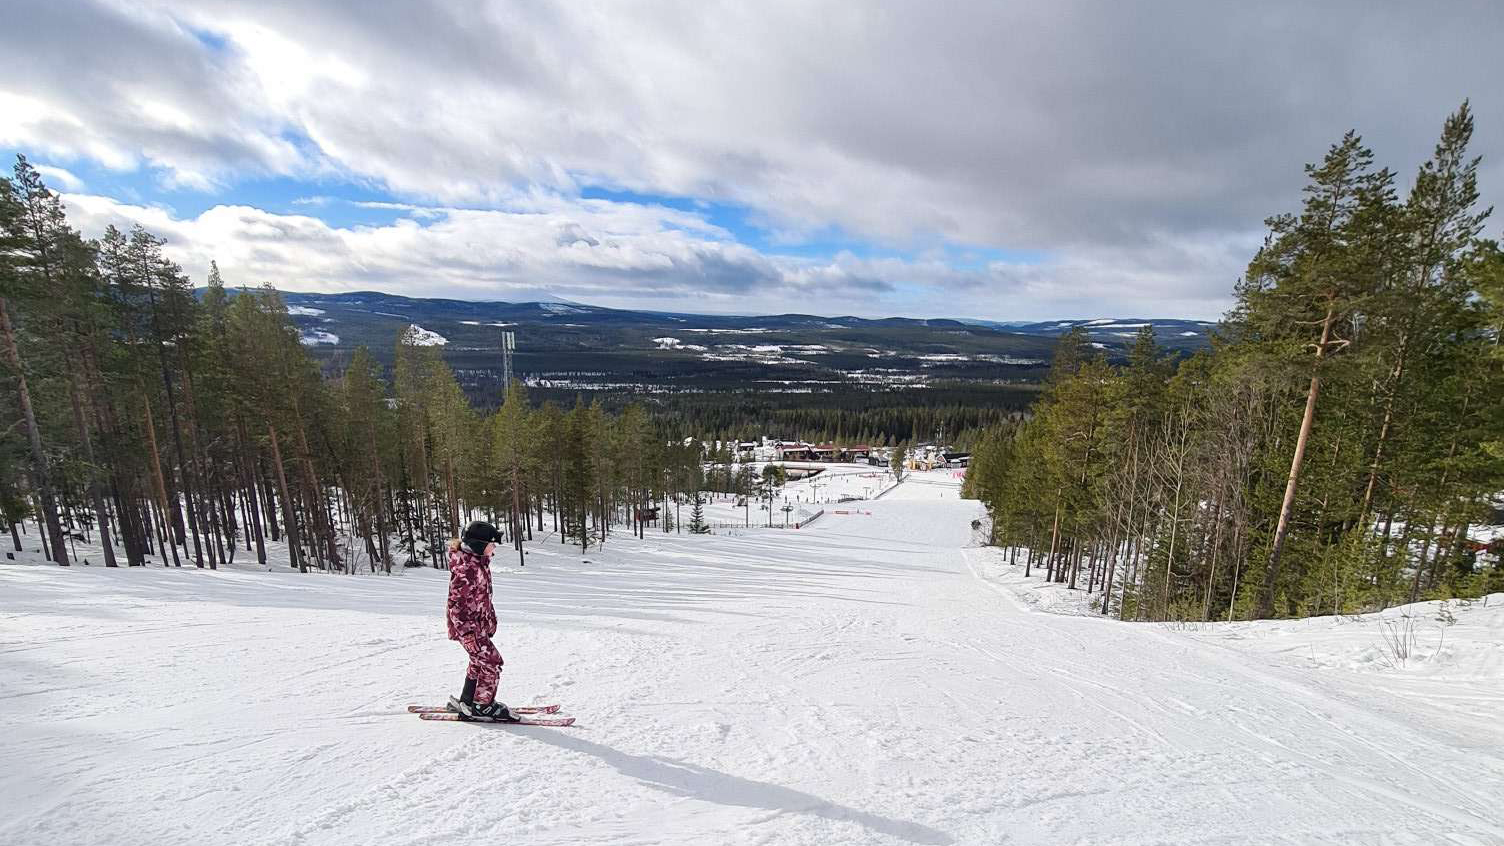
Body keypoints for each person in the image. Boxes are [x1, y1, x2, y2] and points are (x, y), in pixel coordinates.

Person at [446, 520, 513, 721]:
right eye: (492, 544)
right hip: (469, 629)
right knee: (492, 662)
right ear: (478, 545)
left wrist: (489, 620)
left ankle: (467, 700)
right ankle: (483, 706)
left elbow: (481, 598)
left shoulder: (478, 564)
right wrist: (467, 633)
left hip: (477, 627)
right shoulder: (467, 569)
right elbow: (456, 605)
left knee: (479, 661)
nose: (494, 549)